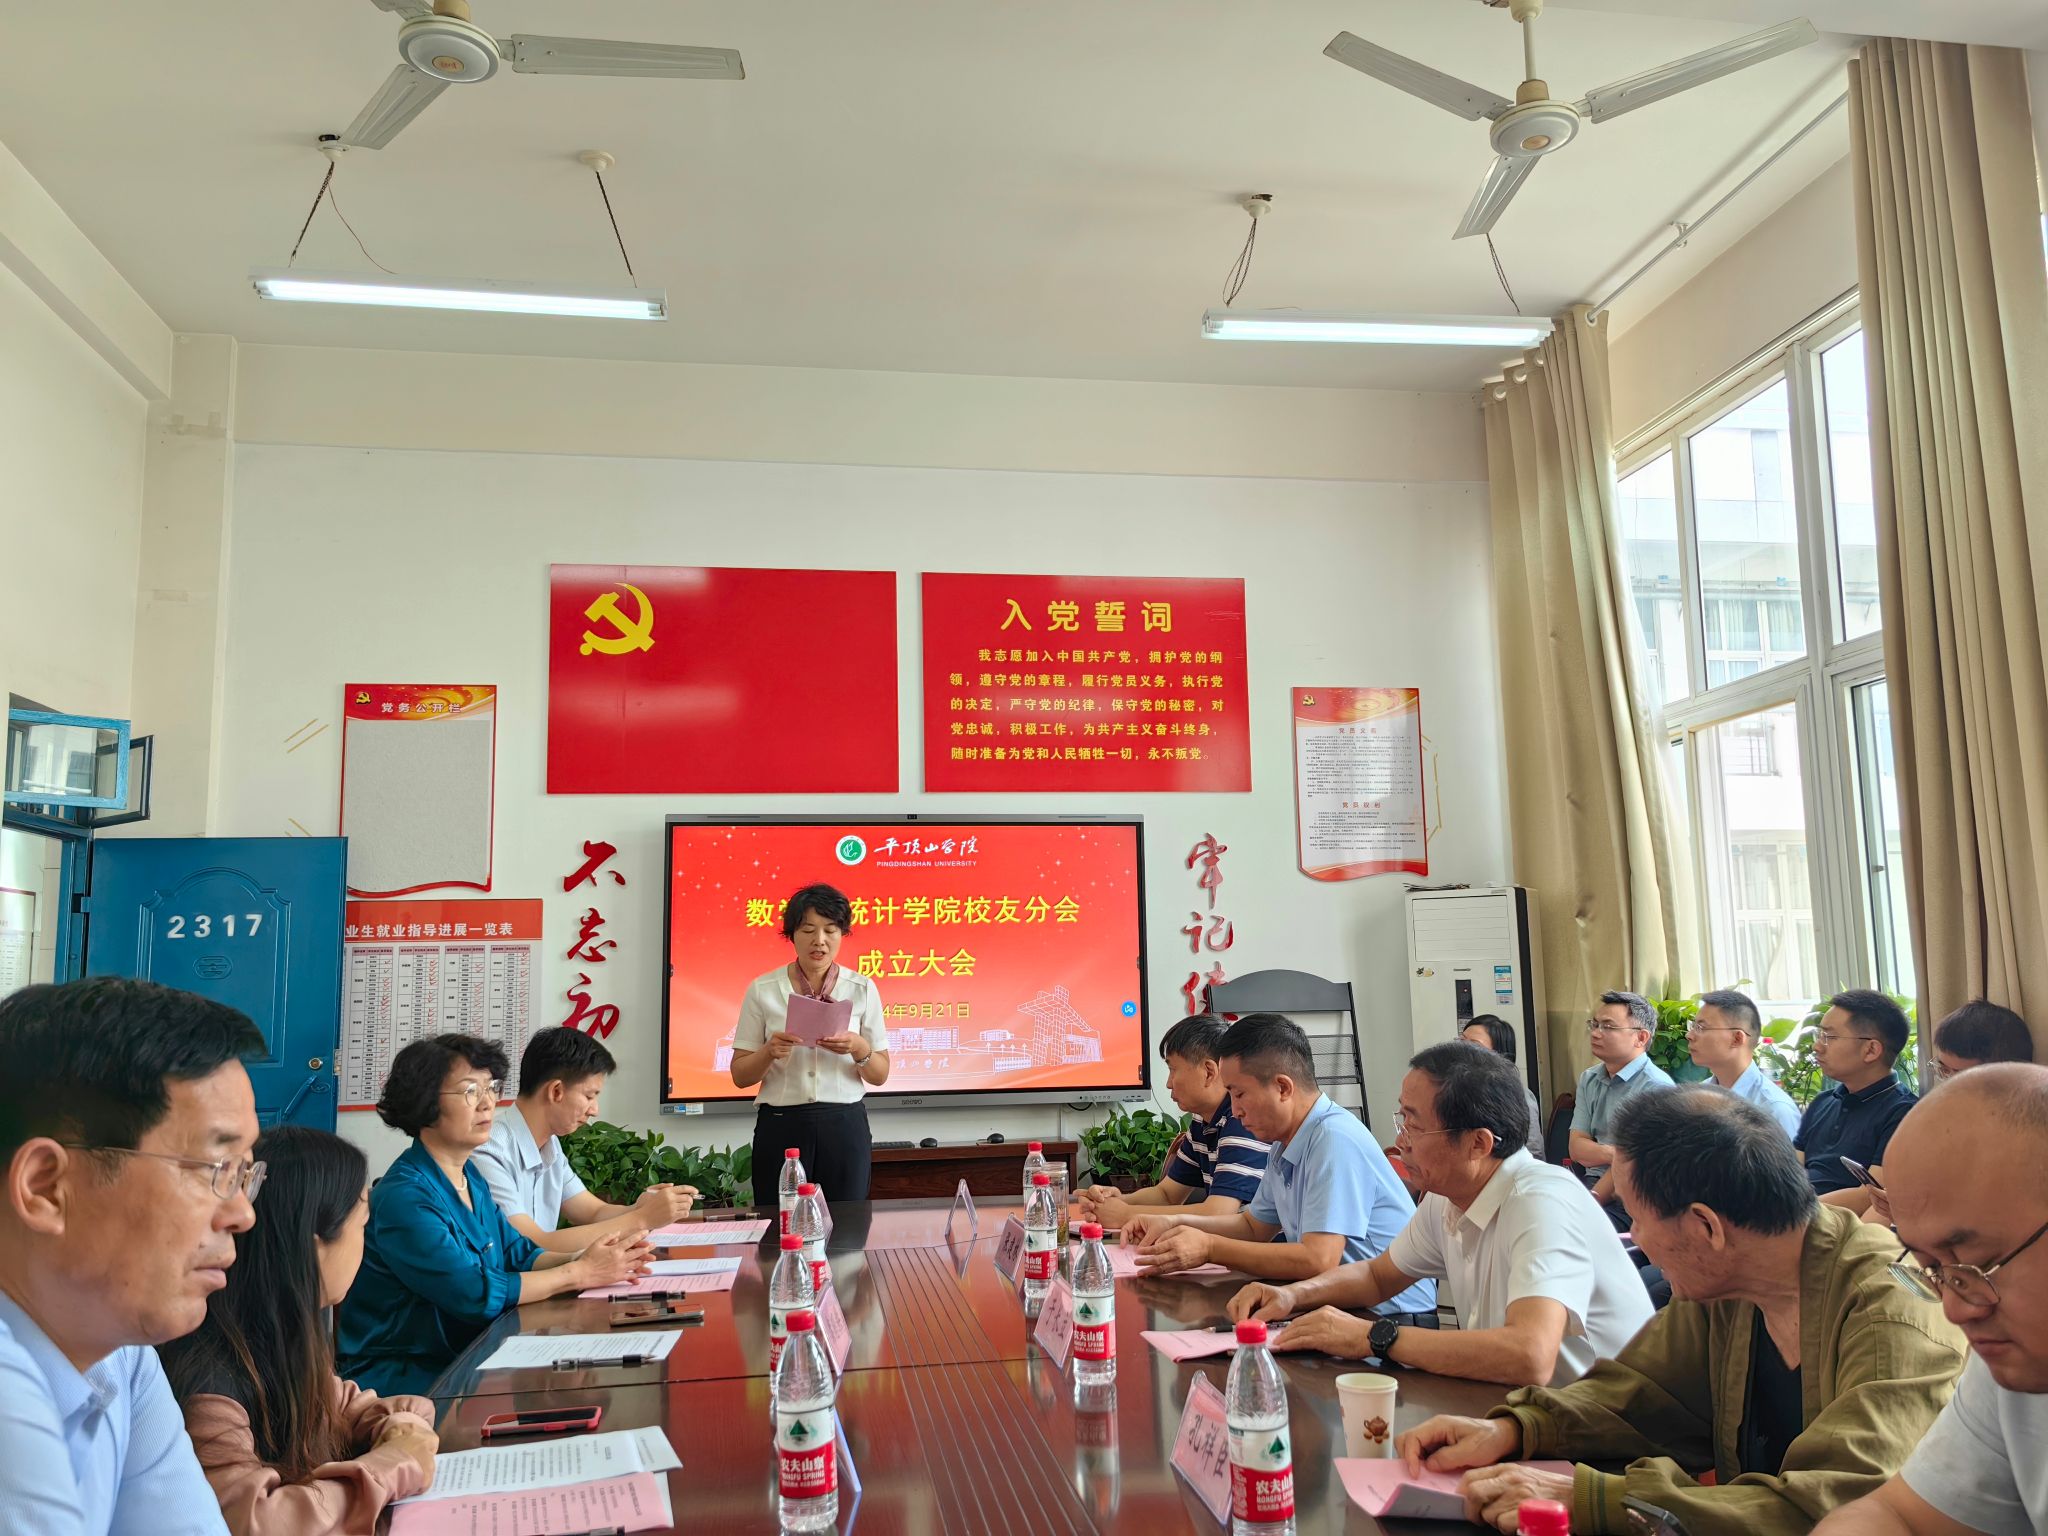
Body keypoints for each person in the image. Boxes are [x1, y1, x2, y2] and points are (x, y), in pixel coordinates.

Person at [1396, 1087, 1966, 1536]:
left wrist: (1593, 1500)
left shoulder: (1891, 1313)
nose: (1637, 1241)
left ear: (1705, 1227)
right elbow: (1639, 1394)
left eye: (1637, 1219)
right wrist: (1514, 1428)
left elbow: (1836, 1505)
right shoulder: (1728, 1284)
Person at [0, 977, 263, 1536]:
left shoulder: (117, 1353)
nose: (243, 1213)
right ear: (46, 1188)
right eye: (215, 1169)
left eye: (245, 1173)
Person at [1227, 1042, 1650, 1387]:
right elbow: (1377, 1276)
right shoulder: (1446, 1197)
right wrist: (1292, 1296)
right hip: (1530, 1415)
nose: (1400, 1141)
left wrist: (1372, 1336)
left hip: (1608, 1438)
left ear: (1478, 1144)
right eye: (1401, 1119)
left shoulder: (1541, 1201)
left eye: (1414, 1125)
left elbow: (1530, 1355)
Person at [336, 1034, 650, 1396]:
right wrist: (579, 1272)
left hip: (469, 1354)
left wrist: (592, 1260)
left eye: (491, 1088)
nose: (488, 1103)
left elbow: (518, 1252)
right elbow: (474, 1293)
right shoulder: (405, 1197)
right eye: (471, 1091)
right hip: (404, 1379)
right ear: (425, 1101)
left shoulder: (467, 1176)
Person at [161, 1126, 439, 1535]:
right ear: (312, 1246)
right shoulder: (209, 1377)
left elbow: (361, 1409)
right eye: (363, 1225)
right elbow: (252, 1521)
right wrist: (394, 1463)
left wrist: (401, 1433)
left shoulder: (283, 1335)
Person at [1812, 1064, 2048, 1535]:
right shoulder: (2013, 1376)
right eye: (1935, 1270)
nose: (1955, 1311)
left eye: (1977, 1265)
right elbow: (1902, 1515)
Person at [1121, 1014, 1436, 1319]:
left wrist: (1209, 1248)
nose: (1235, 1110)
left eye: (1239, 1094)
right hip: (1334, 1306)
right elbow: (1253, 1228)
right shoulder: (1284, 1142)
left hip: (1390, 1317)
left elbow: (1318, 1259)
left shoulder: (1332, 1138)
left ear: (1283, 1088)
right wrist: (1172, 1223)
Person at [731, 884, 889, 1205]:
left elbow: (880, 1074)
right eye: (808, 930)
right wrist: (768, 1053)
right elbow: (740, 1075)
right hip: (781, 1124)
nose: (820, 940)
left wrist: (859, 1048)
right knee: (781, 1221)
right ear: (791, 935)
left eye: (830, 930)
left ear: (842, 934)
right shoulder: (763, 989)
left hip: (844, 1124)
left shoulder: (861, 988)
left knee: (848, 1225)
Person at [474, 1027, 697, 1249]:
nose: (594, 1110)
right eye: (589, 1096)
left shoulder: (549, 1144)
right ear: (556, 1091)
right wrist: (643, 1219)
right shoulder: (488, 1149)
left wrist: (640, 1208)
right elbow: (530, 1245)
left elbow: (593, 1212)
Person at [1822, 1000, 2032, 1225]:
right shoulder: (1943, 1127)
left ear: (2001, 1075)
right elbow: (1893, 1206)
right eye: (1942, 1070)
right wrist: (1896, 1212)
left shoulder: (2026, 1139)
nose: (1948, 1084)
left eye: (1959, 1075)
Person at [1076, 1013, 1269, 1227]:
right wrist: (1116, 1201)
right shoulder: (1202, 1122)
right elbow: (1167, 1194)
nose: (1168, 1083)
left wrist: (1127, 1215)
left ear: (1208, 1072)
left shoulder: (1241, 1121)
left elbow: (1219, 1211)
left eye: (1173, 1069)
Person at [1796, 989, 1917, 1196]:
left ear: (1871, 1050)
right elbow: (1790, 1170)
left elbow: (1871, 1197)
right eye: (1820, 1035)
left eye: (1829, 1037)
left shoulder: (1903, 1113)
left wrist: (1792, 1209)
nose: (1817, 1046)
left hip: (1834, 1215)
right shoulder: (1823, 1101)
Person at [1568, 990, 1675, 1215]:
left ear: (1641, 1038)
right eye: (1594, 1024)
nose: (1595, 1033)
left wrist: (1588, 1206)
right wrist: (1617, 1154)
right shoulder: (1590, 1078)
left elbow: (1635, 1165)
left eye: (1608, 1027)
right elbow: (1576, 1148)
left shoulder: (1656, 1088)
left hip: (1634, 1197)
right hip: (1591, 1185)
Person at [1688, 989, 1800, 1137]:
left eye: (1701, 1028)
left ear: (1737, 1039)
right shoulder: (1698, 1096)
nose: (1689, 1035)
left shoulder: (1774, 1109)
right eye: (1693, 1026)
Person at [1460, 1014, 1547, 1158]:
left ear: (1499, 1055)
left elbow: (1534, 1153)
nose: (1462, 1051)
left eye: (1474, 1046)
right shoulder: (1453, 1091)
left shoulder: (1519, 1097)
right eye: (1462, 1042)